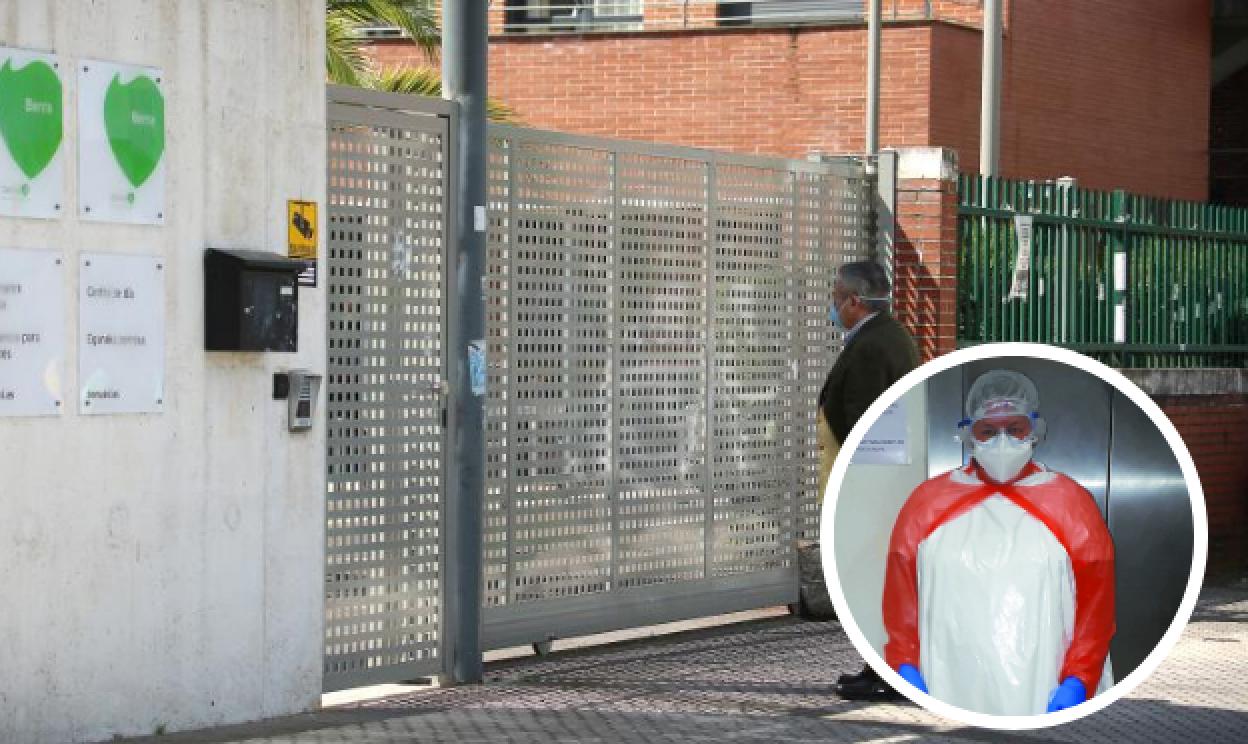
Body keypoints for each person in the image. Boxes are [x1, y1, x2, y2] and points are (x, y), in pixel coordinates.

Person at [882, 369, 1116, 715]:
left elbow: (1096, 604)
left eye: (1015, 429)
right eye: (988, 431)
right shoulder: (927, 503)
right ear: (968, 434)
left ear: (1034, 430)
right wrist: (904, 664)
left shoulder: (1071, 503)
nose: (1001, 441)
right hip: (948, 682)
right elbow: (901, 596)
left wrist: (1079, 678)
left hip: (1047, 686)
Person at [810, 260, 919, 701]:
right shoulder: (886, 336)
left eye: (837, 296)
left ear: (855, 301)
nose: (832, 304)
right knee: (875, 580)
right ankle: (879, 665)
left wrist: (856, 490)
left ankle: (886, 671)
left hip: (864, 487)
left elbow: (863, 424)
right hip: (867, 485)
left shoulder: (873, 347)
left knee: (871, 580)